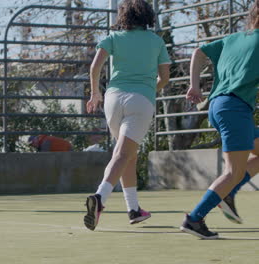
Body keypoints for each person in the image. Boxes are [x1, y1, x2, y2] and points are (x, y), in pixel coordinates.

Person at [83, 0, 171, 230]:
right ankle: (99, 198)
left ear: (124, 17)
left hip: (112, 100)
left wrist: (95, 93)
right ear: (147, 17)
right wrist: (150, 89)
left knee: (127, 155)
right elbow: (165, 78)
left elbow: (95, 67)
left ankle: (134, 209)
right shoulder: (156, 41)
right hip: (140, 100)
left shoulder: (114, 38)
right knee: (123, 154)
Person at [180, 0, 259, 239]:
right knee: (232, 172)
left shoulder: (234, 38)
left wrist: (194, 85)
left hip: (218, 106)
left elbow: (198, 52)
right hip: (235, 109)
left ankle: (228, 193)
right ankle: (194, 219)